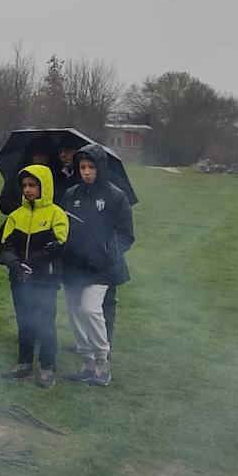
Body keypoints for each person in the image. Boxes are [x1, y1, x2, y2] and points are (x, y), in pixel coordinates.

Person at [60, 144, 135, 386]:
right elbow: (61, 227)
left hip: (103, 267)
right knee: (74, 311)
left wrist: (108, 253)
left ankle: (102, 361)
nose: (86, 172)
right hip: (74, 264)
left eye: (91, 167)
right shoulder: (71, 195)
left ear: (100, 168)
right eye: (82, 167)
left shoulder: (116, 196)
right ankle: (87, 361)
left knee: (91, 309)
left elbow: (126, 235)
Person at [0, 164, 68, 388]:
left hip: (45, 279)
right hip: (20, 278)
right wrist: (16, 265)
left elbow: (58, 244)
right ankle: (24, 363)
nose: (27, 190)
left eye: (33, 185)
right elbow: (5, 245)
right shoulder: (16, 215)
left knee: (45, 323)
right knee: (24, 321)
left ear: (44, 187)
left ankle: (47, 368)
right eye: (25, 185)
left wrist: (31, 263)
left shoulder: (57, 214)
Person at [0, 135, 61, 215]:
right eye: (35, 155)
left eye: (42, 155)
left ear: (50, 156)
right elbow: (4, 202)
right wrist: (26, 209)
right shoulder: (18, 174)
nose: (38, 158)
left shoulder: (59, 177)